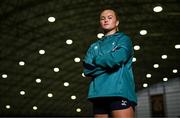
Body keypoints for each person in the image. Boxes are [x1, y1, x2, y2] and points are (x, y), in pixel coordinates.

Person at [83, 8, 137, 118]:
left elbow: (117, 59)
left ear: (117, 22)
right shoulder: (94, 46)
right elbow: (87, 69)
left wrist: (97, 59)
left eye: (109, 17)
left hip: (119, 92)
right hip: (98, 94)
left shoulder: (123, 39)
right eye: (102, 18)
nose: (105, 20)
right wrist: (110, 64)